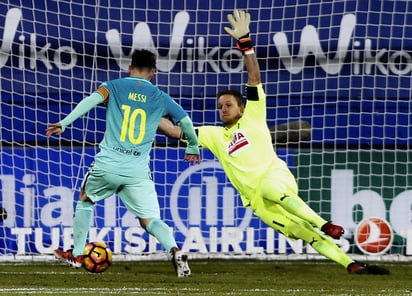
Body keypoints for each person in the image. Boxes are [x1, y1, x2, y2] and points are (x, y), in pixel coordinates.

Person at [158, 9, 389, 275]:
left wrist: (245, 44)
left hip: (275, 177)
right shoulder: (212, 134)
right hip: (256, 201)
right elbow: (176, 132)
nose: (223, 109)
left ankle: (325, 223)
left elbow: (253, 77)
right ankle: (352, 264)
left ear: (242, 108)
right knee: (299, 231)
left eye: (229, 105)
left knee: (270, 188)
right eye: (220, 106)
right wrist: (154, 116)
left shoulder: (254, 114)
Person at [46, 49, 201, 277]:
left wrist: (65, 123)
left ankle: (78, 255)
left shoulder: (113, 86)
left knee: (85, 199)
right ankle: (174, 251)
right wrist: (193, 146)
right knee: (150, 220)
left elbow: (89, 101)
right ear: (153, 73)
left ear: (129, 69)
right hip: (137, 170)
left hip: (108, 163)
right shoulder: (160, 96)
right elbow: (185, 121)